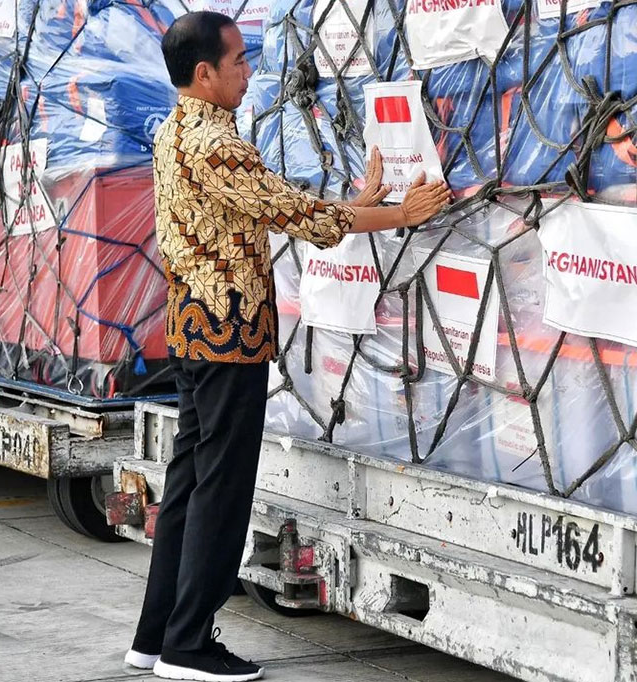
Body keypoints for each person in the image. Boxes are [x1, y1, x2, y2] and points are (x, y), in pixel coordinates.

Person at [124, 11, 451, 682]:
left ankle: (157, 635)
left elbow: (268, 208)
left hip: (195, 329)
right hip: (228, 339)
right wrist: (397, 213)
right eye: (240, 61)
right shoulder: (213, 142)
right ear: (205, 72)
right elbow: (293, 214)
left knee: (189, 487)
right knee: (220, 492)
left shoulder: (179, 129)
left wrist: (357, 201)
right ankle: (190, 646)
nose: (250, 72)